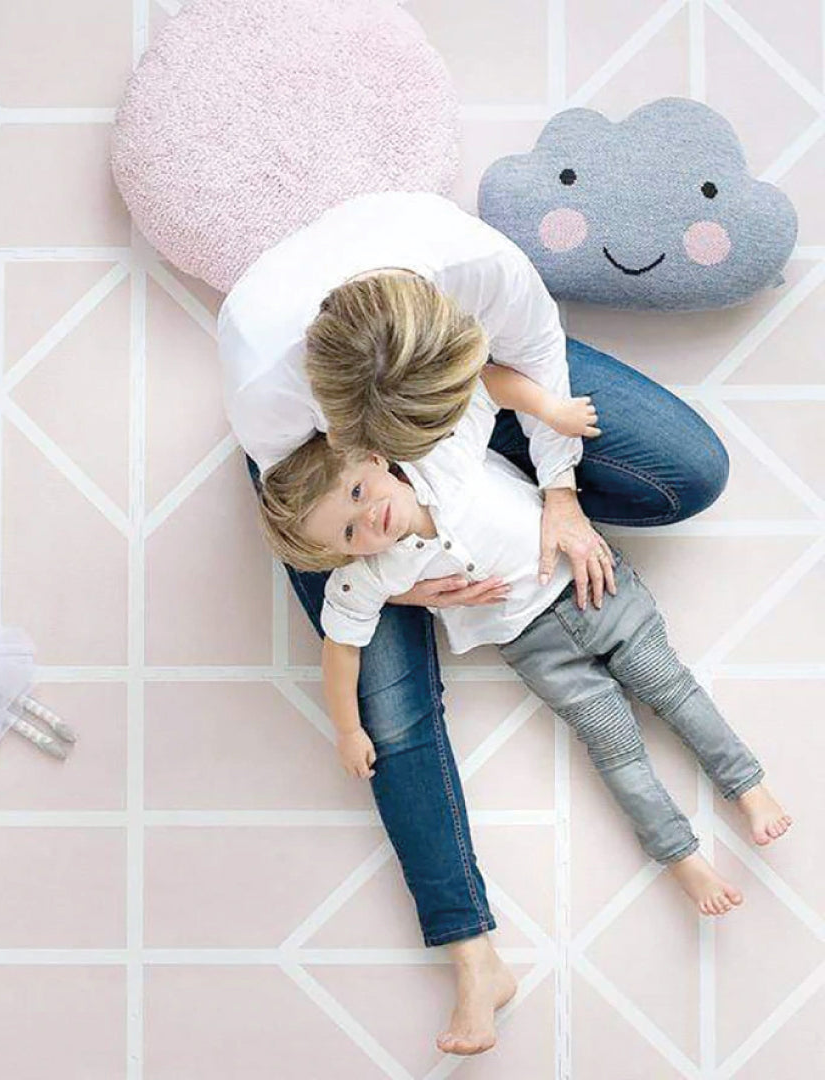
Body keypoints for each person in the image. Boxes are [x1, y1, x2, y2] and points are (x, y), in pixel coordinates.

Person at [218, 190, 731, 1055]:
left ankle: (487, 476)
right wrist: (395, 581)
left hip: (472, 384)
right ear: (364, 436)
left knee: (691, 471)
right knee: (392, 710)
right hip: (325, 469)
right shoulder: (270, 393)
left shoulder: (487, 274)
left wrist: (557, 495)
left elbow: (527, 365)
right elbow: (327, 532)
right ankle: (471, 954)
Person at [256, 364, 792, 925]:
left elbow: (480, 386)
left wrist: (548, 409)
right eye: (349, 533)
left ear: (372, 459)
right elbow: (340, 648)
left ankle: (747, 786)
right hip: (536, 648)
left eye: (359, 493)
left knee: (674, 691)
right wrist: (348, 728)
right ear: (343, 555)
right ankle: (680, 855)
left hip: (595, 587)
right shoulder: (369, 574)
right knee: (615, 747)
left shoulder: (439, 458)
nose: (368, 518)